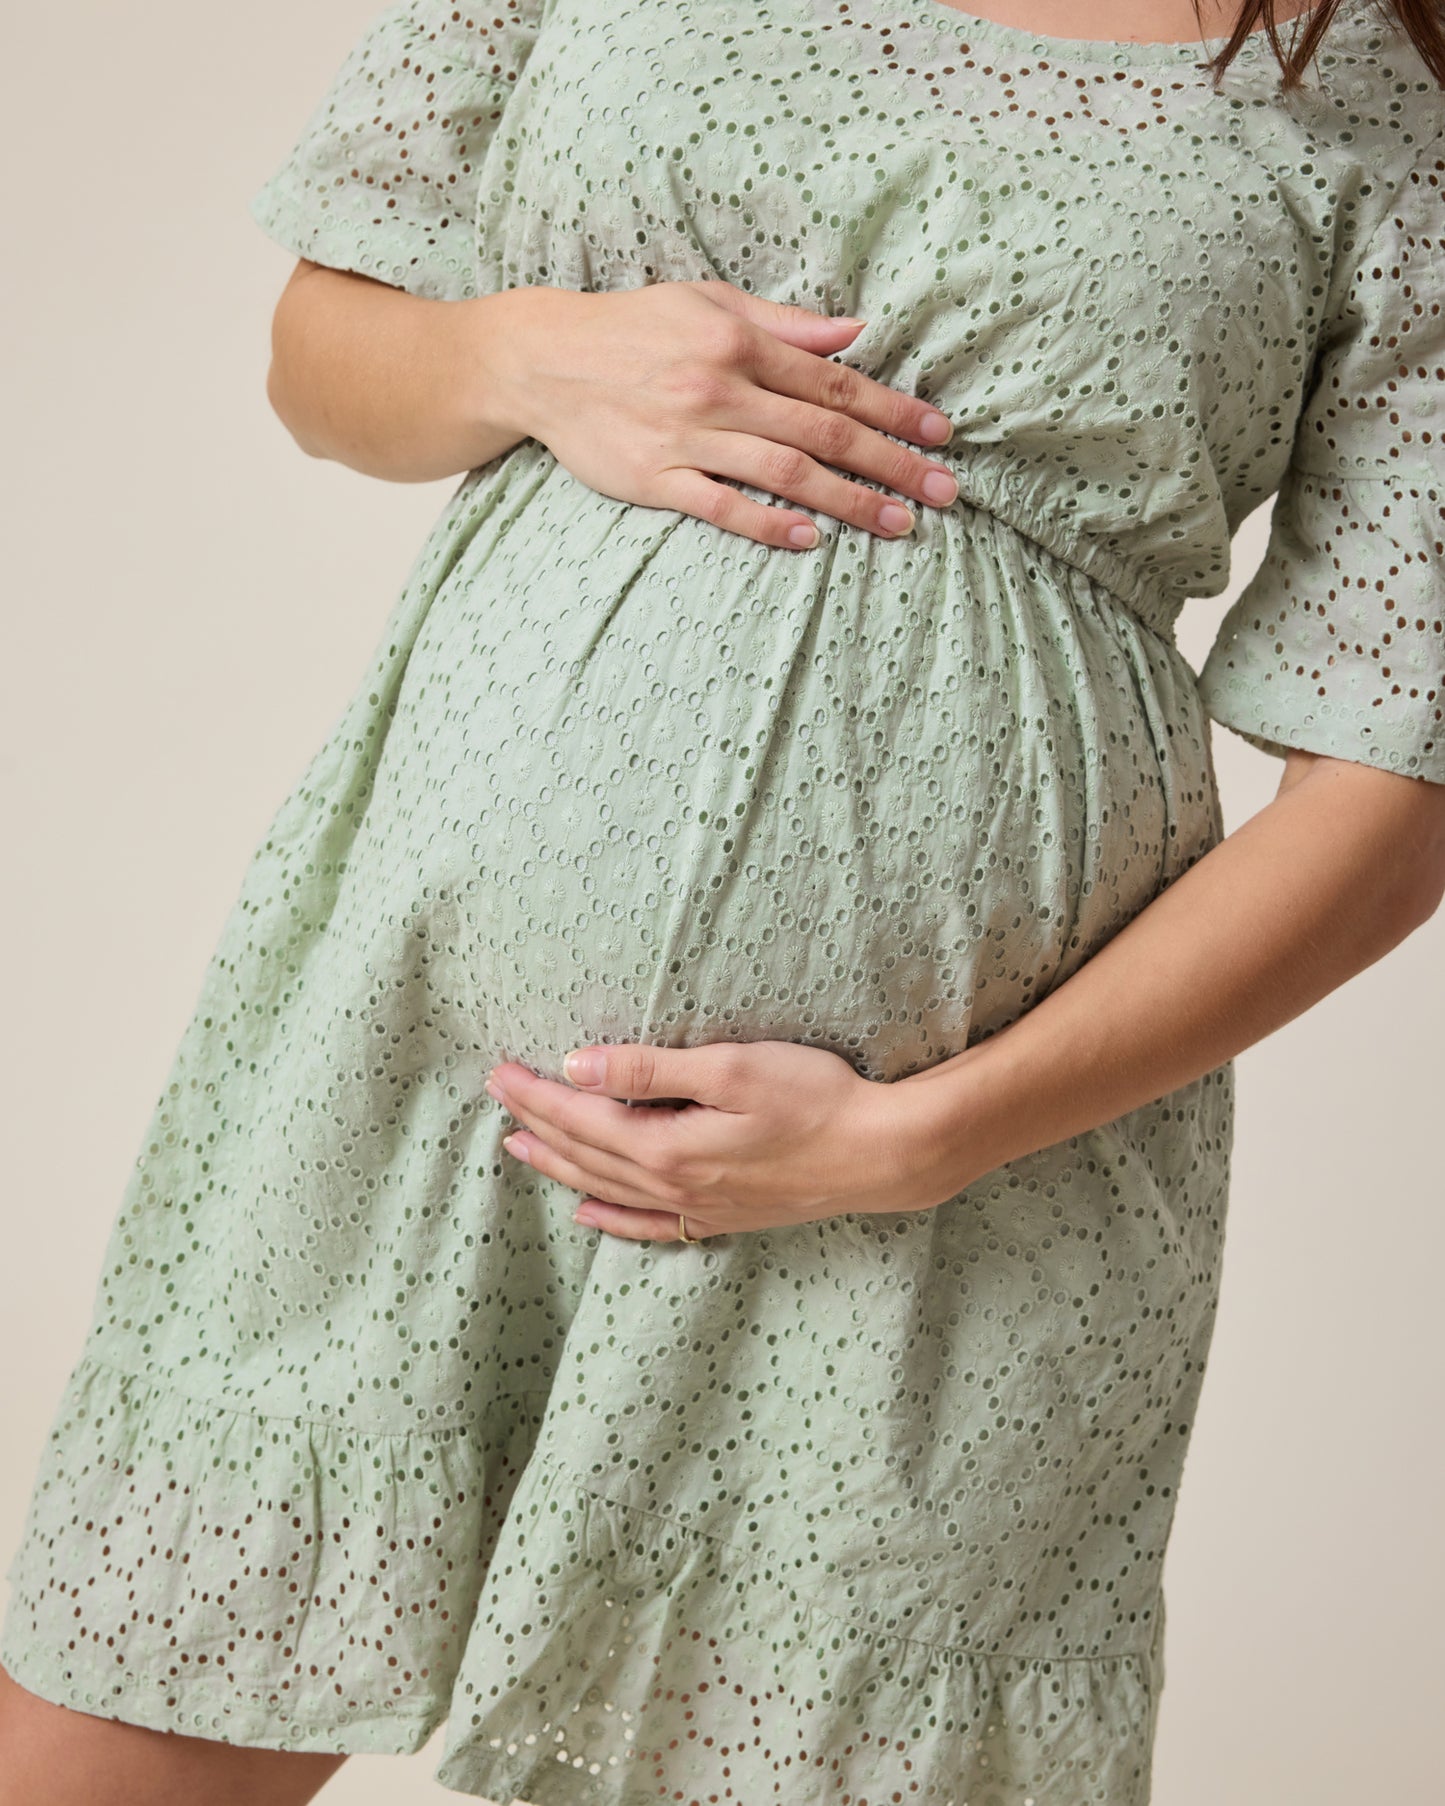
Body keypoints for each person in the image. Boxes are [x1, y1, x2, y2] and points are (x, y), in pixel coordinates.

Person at [2, 0, 1442, 1801]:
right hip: (419, 1038)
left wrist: (926, 1133)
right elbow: (325, 349)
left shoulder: (1378, 81)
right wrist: (527, 359)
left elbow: (1396, 783)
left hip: (949, 1195)